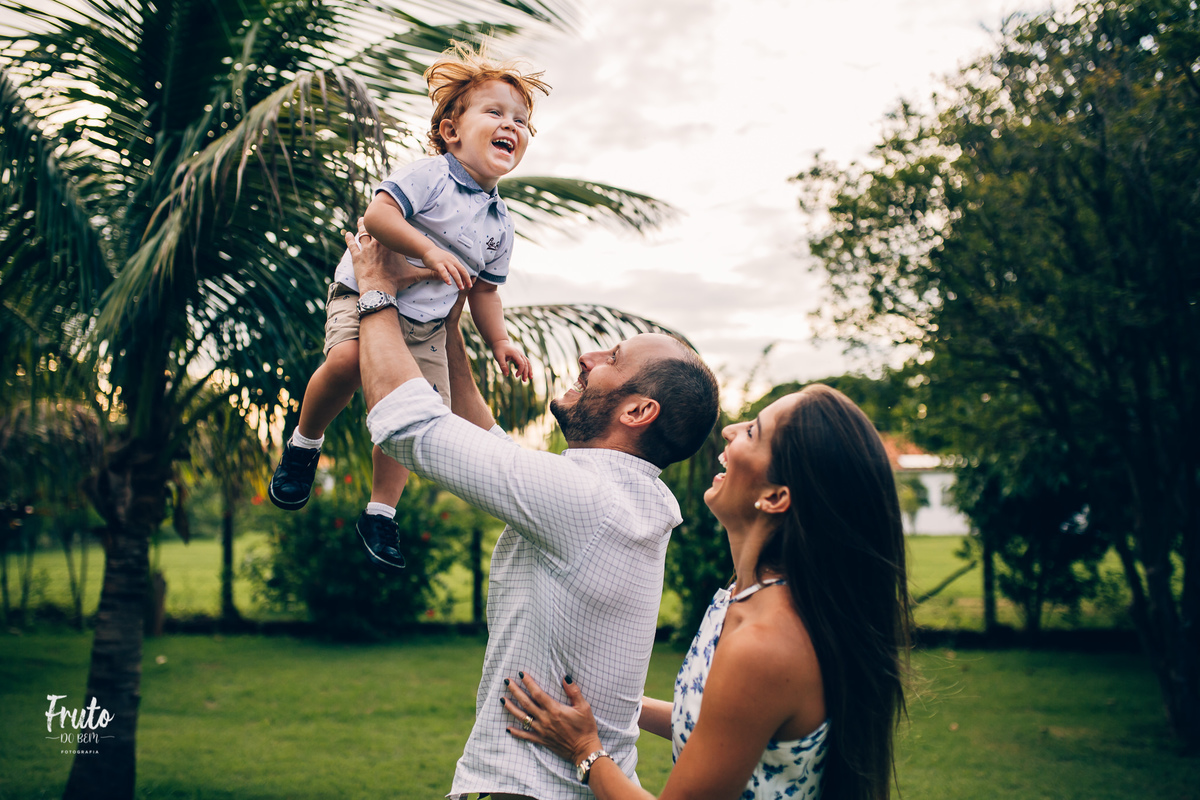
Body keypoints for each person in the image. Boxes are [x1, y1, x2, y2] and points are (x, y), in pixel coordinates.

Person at [345, 227, 721, 799]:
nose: (588, 357)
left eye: (612, 358)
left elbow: (407, 426)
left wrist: (374, 289)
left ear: (639, 409)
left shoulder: (588, 502)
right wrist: (448, 327)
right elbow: (489, 445)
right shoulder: (623, 499)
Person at [500, 384, 912, 800]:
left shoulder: (765, 645)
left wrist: (585, 750)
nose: (731, 429)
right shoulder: (744, 595)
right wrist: (615, 702)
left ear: (775, 497)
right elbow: (717, 724)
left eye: (753, 432)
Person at [268, 43, 544, 573]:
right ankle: (305, 444)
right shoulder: (430, 175)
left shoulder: (499, 223)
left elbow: (484, 293)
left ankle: (381, 512)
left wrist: (502, 341)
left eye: (523, 120)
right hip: (364, 294)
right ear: (450, 131)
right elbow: (378, 216)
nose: (512, 125)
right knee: (346, 364)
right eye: (495, 112)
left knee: (416, 415)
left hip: (426, 327)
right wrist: (428, 248)